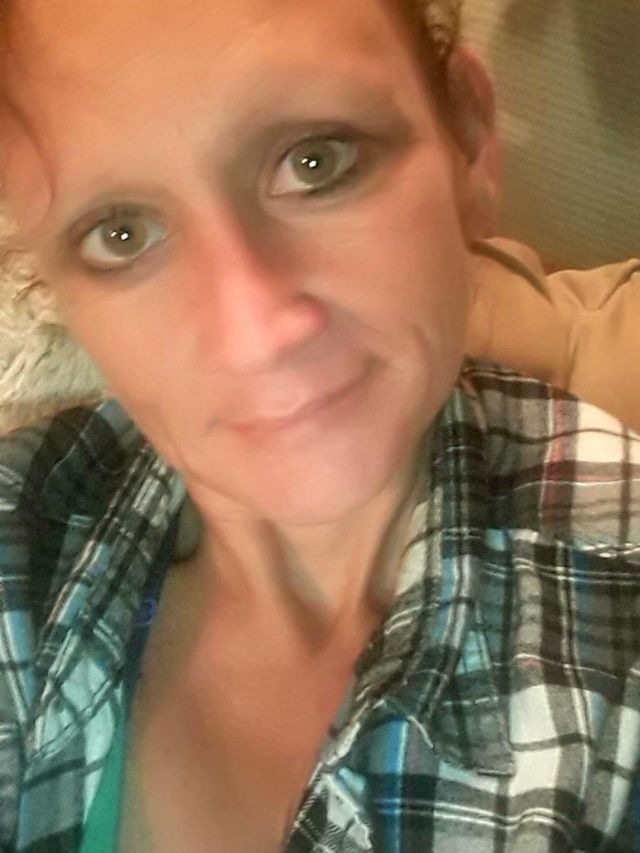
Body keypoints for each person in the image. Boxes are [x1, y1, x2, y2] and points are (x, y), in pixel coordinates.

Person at [0, 1, 638, 851]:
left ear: (468, 142)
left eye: (315, 160)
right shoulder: (24, 531)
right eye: (121, 234)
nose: (255, 331)